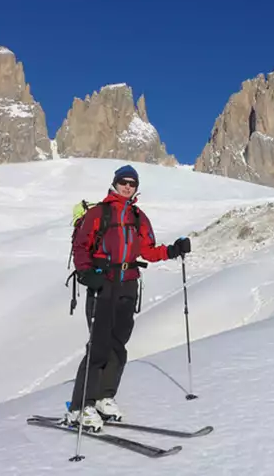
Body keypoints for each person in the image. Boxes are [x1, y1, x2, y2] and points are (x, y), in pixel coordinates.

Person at [65, 165, 191, 431]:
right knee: (98, 345)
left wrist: (173, 250)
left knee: (118, 344)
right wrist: (86, 273)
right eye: (123, 182)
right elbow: (81, 246)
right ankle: (81, 406)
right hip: (103, 282)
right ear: (114, 183)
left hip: (129, 283)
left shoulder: (138, 216)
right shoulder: (99, 213)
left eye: (132, 183)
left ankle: (104, 397)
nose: (127, 186)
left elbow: (148, 250)